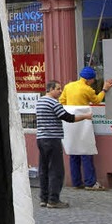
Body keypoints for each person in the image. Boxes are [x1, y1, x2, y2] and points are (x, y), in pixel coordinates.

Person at [36, 80, 92, 208]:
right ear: (50, 89)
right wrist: (85, 116)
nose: (60, 91)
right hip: (52, 139)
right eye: (58, 88)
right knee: (56, 170)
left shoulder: (40, 101)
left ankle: (43, 198)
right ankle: (53, 200)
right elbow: (68, 117)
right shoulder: (53, 103)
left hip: (41, 139)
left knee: (43, 169)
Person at [59, 66, 112, 190]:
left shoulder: (68, 86)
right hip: (83, 122)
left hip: (70, 123)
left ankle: (76, 182)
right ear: (89, 80)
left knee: (73, 151)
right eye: (93, 80)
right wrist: (104, 90)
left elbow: (62, 101)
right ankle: (90, 182)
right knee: (86, 151)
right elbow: (97, 100)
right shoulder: (87, 89)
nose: (94, 82)